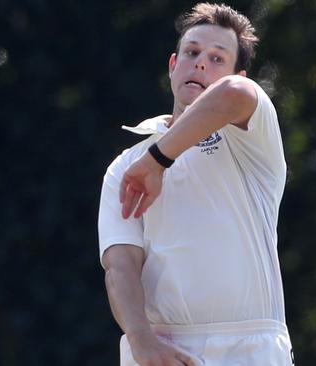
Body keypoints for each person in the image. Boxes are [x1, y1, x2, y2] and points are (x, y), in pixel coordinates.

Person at [98, 3, 293, 365]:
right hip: (164, 349)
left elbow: (235, 94)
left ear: (239, 74)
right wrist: (140, 339)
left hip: (250, 349)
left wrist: (158, 161)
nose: (201, 63)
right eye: (192, 53)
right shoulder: (126, 166)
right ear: (173, 66)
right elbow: (120, 264)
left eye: (218, 58)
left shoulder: (251, 140)